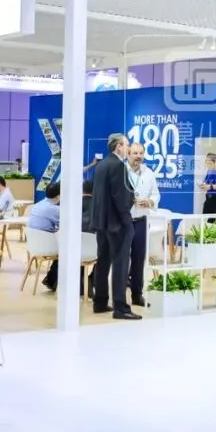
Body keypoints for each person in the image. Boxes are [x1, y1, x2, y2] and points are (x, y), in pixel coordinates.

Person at [91, 133, 140, 320]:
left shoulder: (102, 165)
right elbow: (120, 196)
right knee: (120, 264)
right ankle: (120, 307)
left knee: (103, 262)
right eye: (127, 144)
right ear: (118, 146)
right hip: (117, 224)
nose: (128, 148)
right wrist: (127, 221)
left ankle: (100, 301)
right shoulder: (118, 165)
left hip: (102, 222)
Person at [125, 142, 160, 307]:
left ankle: (137, 295)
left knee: (139, 259)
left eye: (140, 153)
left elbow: (156, 194)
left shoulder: (149, 173)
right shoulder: (121, 172)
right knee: (121, 259)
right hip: (124, 221)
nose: (138, 156)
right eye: (135, 153)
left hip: (141, 221)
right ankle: (119, 297)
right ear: (128, 154)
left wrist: (150, 202)